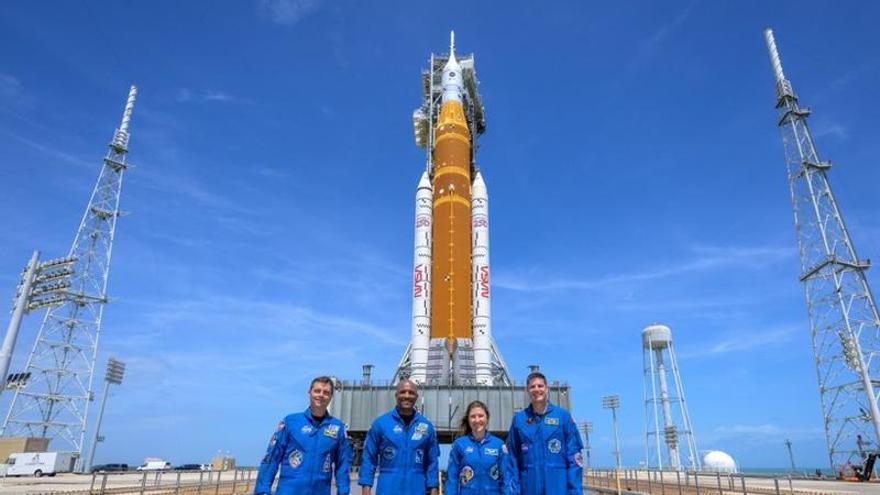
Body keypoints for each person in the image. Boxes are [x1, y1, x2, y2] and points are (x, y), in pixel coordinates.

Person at [254, 376, 352, 495]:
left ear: (331, 396)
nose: (321, 395)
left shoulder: (338, 428)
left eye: (326, 392)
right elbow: (271, 459)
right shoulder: (290, 422)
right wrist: (262, 490)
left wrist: (343, 491)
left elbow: (343, 465)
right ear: (309, 392)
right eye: (317, 391)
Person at [358, 379, 440, 495]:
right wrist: (366, 489)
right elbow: (369, 459)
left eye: (411, 393)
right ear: (396, 395)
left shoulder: (426, 427)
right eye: (403, 392)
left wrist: (434, 488)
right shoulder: (381, 424)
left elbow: (432, 462)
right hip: (388, 489)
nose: (407, 396)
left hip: (416, 489)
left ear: (416, 397)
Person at [506, 372, 584, 495]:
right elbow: (512, 460)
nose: (536, 389)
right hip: (529, 489)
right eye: (532, 387)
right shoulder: (519, 420)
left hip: (558, 489)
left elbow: (574, 459)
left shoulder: (563, 417)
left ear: (547, 389)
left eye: (540, 386)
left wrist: (575, 492)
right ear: (527, 390)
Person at [446, 400, 518, 495]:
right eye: (473, 416)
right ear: (468, 419)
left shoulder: (499, 445)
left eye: (481, 416)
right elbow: (452, 478)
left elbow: (506, 478)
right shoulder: (459, 445)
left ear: (487, 418)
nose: (477, 420)